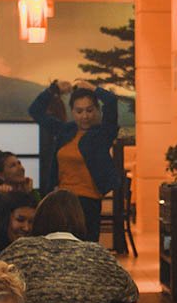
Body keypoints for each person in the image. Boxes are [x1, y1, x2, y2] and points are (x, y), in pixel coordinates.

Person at [0, 189, 139, 303]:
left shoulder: (19, 250)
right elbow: (131, 294)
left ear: (39, 219)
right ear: (80, 219)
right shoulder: (99, 255)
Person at [28, 79, 120, 243]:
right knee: (60, 248)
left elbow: (111, 101)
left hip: (88, 202)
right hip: (61, 200)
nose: (85, 116)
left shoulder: (102, 134)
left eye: (89, 110)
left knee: (85, 248)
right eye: (79, 111)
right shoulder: (66, 131)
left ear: (97, 110)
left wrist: (93, 88)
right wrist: (54, 89)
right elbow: (35, 111)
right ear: (72, 111)